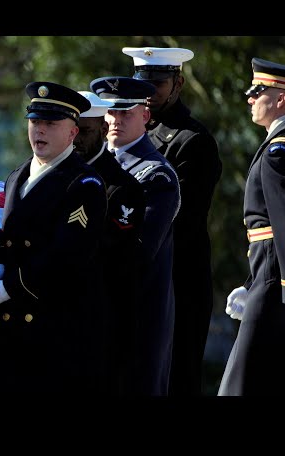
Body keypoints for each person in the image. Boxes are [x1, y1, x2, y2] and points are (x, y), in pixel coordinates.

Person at [0, 81, 108, 396]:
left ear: (73, 133)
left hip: (57, 329)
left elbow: (67, 255)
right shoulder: (17, 175)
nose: (40, 131)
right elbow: (9, 238)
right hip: (15, 327)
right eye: (35, 122)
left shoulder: (83, 184)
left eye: (51, 123)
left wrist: (10, 286)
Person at [122, 46, 223, 396]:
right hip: (141, 278)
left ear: (178, 83)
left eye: (158, 84)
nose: (148, 94)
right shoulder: (133, 135)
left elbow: (179, 222)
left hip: (178, 283)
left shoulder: (192, 142)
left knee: (175, 377)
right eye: (142, 84)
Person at [90, 76, 180, 396]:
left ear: (145, 115)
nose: (116, 120)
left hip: (138, 311)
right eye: (110, 113)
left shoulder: (155, 175)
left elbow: (139, 253)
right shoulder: (90, 167)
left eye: (126, 112)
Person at [219, 58, 285, 396]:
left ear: (281, 98)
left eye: (258, 91)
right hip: (270, 281)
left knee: (240, 385)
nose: (250, 98)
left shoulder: (280, 150)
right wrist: (250, 283)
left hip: (277, 286)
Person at [74, 90, 146, 395]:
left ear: (103, 129)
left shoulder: (120, 187)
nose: (76, 140)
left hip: (102, 324)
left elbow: (109, 253)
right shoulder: (55, 175)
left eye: (85, 132)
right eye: (72, 131)